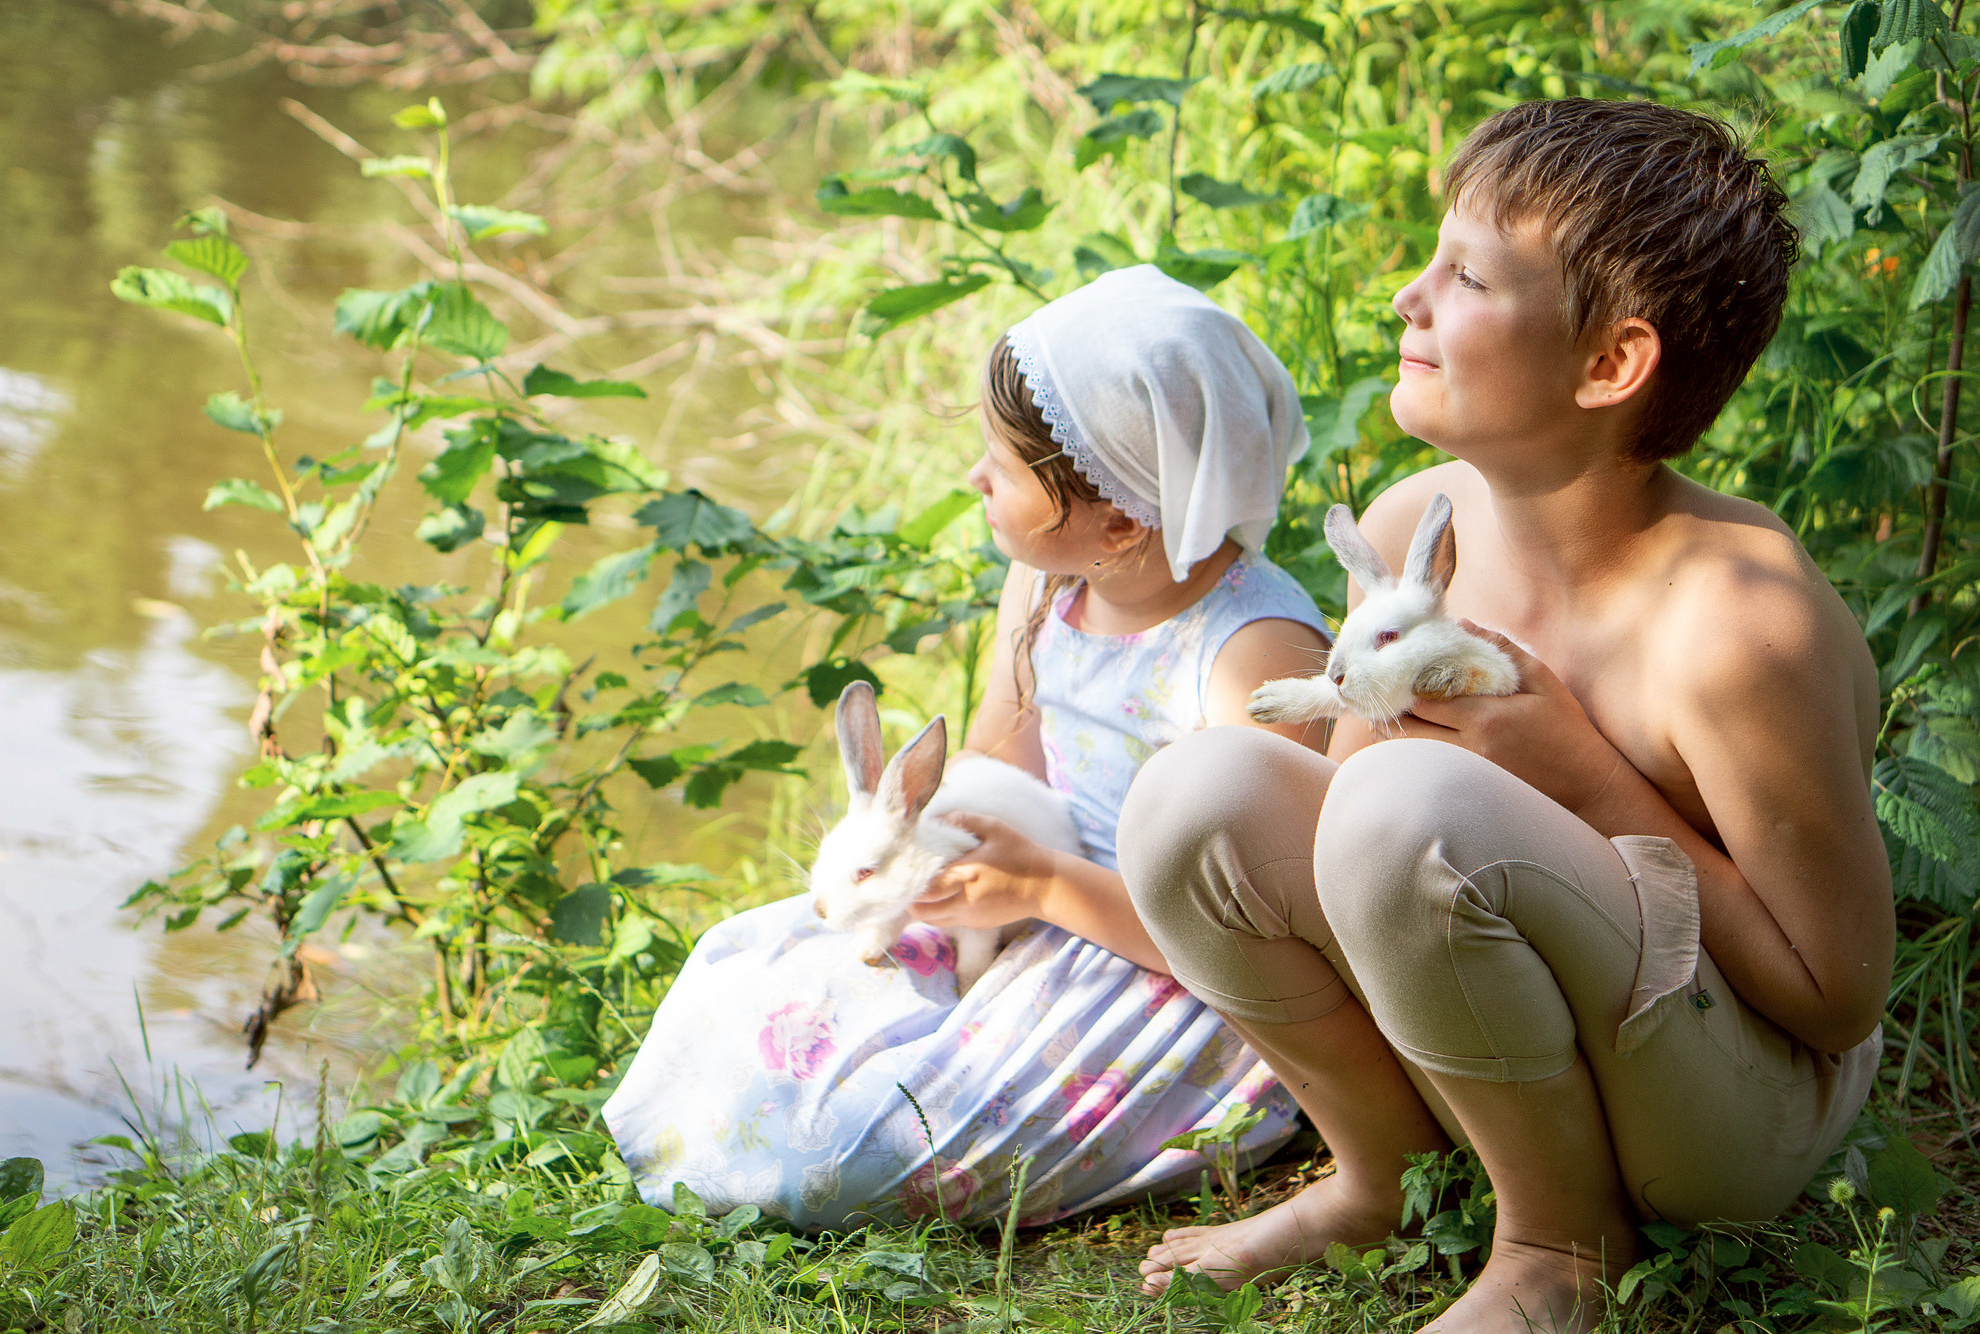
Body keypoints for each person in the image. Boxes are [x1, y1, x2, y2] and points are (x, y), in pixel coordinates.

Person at [1118, 98, 1893, 1334]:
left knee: (1400, 803)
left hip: (1729, 1106)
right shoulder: (1411, 525)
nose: (1404, 299)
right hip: (1541, 1029)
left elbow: (1835, 996)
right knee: (1193, 798)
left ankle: (1558, 1249)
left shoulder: (1734, 622)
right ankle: (1382, 1176)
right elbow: (1348, 866)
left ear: (1606, 365)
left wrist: (1581, 772)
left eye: (1464, 275)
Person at [602, 264, 1334, 1229]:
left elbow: (1274, 931)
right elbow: (999, 764)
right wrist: (931, 847)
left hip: (1178, 973)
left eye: (1001, 465)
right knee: (748, 979)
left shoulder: (1252, 653)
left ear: (1117, 516)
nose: (972, 478)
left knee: (866, 1139)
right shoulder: (1045, 588)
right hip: (1034, 893)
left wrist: (1038, 890)